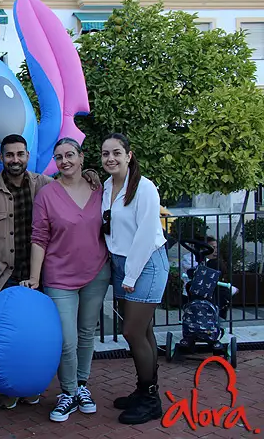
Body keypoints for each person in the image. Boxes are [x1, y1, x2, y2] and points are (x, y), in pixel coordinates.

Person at [0, 134, 99, 409]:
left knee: (39, 335)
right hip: (6, 275)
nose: (15, 159)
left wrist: (90, 174)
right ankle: (11, 388)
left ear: (27, 155)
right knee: (9, 337)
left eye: (20, 154)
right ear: (2, 158)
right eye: (9, 155)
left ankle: (32, 385)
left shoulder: (45, 185)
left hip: (43, 274)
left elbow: (73, 184)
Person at [27, 138, 111, 423]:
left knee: (87, 333)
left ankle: (82, 387)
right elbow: (39, 238)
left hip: (96, 273)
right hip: (59, 276)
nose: (65, 161)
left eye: (70, 155)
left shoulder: (100, 189)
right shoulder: (47, 195)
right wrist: (34, 279)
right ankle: (68, 392)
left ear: (81, 157)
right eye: (59, 157)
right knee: (66, 339)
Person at [100, 133, 168, 425]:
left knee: (132, 332)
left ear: (129, 154)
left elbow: (144, 236)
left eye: (116, 152)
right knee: (145, 332)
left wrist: (130, 275)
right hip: (122, 264)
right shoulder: (106, 186)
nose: (110, 158)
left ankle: (151, 400)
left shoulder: (145, 188)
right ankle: (144, 390)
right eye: (105, 154)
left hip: (145, 264)